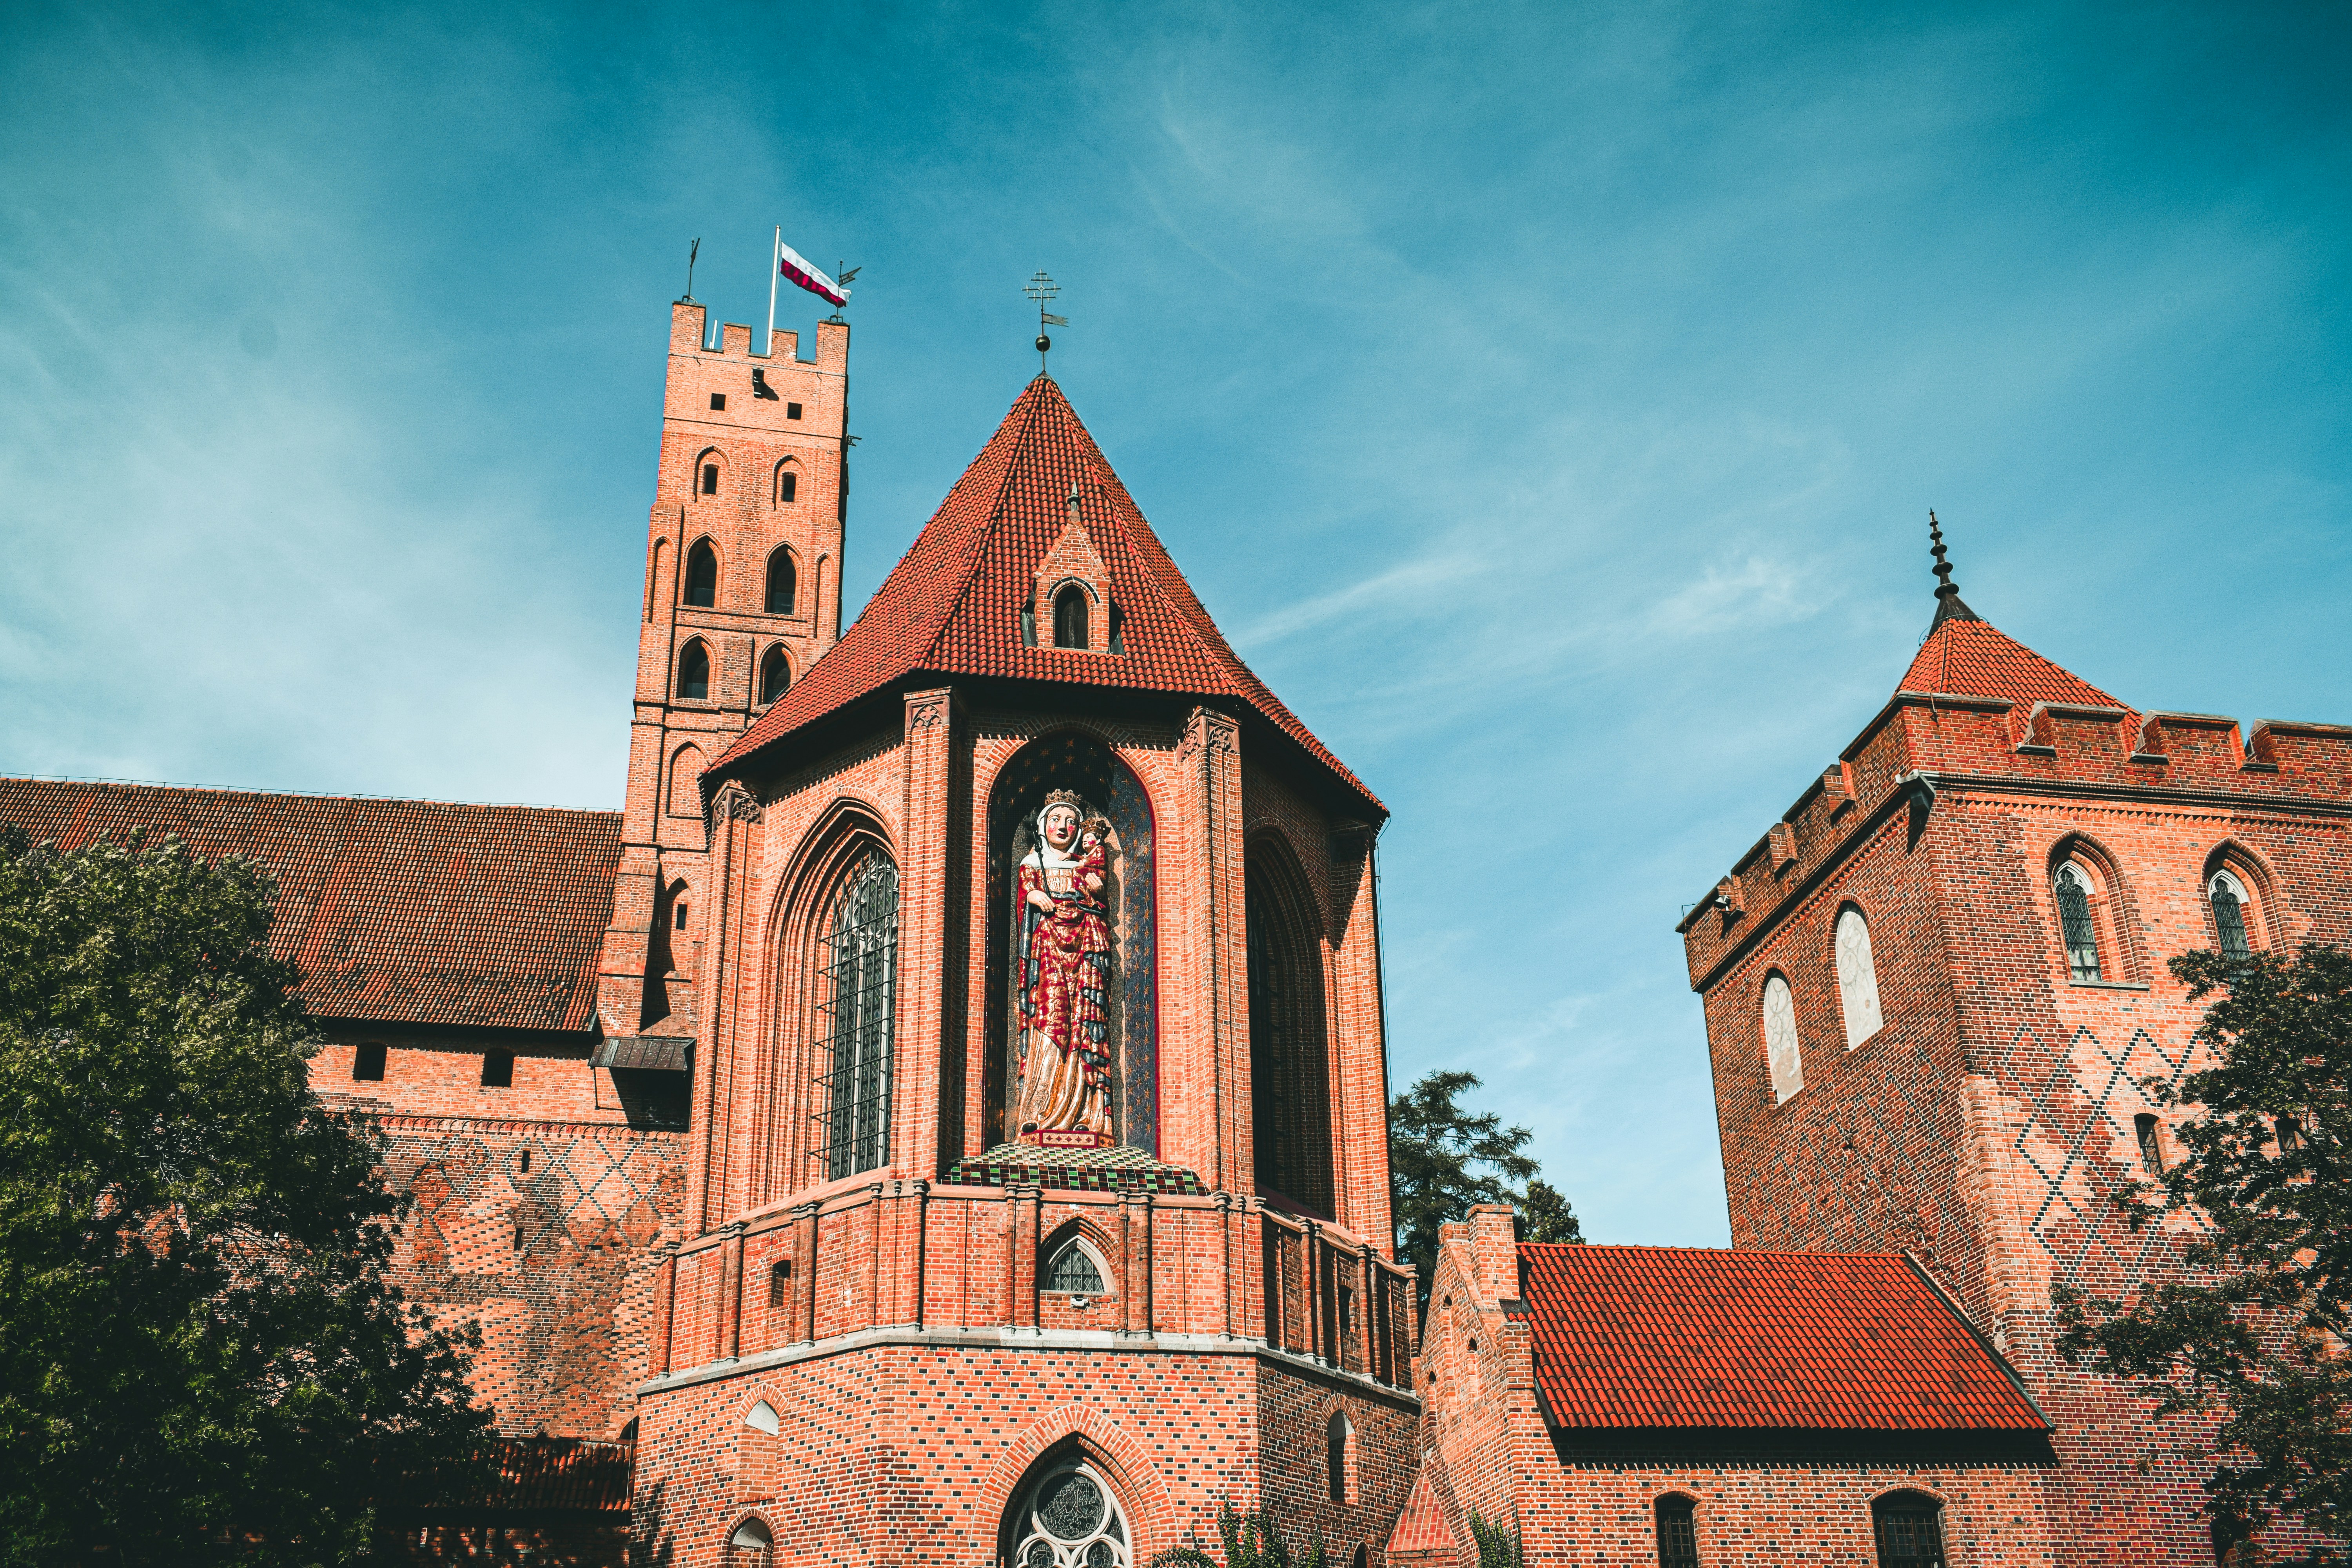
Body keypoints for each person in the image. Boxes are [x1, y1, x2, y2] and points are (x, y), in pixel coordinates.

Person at [1013, 791, 1115, 1145]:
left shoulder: (1085, 865)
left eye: (1071, 821)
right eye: (1056, 819)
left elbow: (1097, 906)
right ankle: (1039, 1111)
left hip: (1083, 948)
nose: (1064, 826)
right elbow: (1026, 895)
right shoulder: (1032, 863)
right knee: (1050, 1018)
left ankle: (1087, 1114)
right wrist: (1032, 896)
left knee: (1082, 1023)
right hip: (1048, 952)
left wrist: (1098, 892)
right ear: (1044, 825)